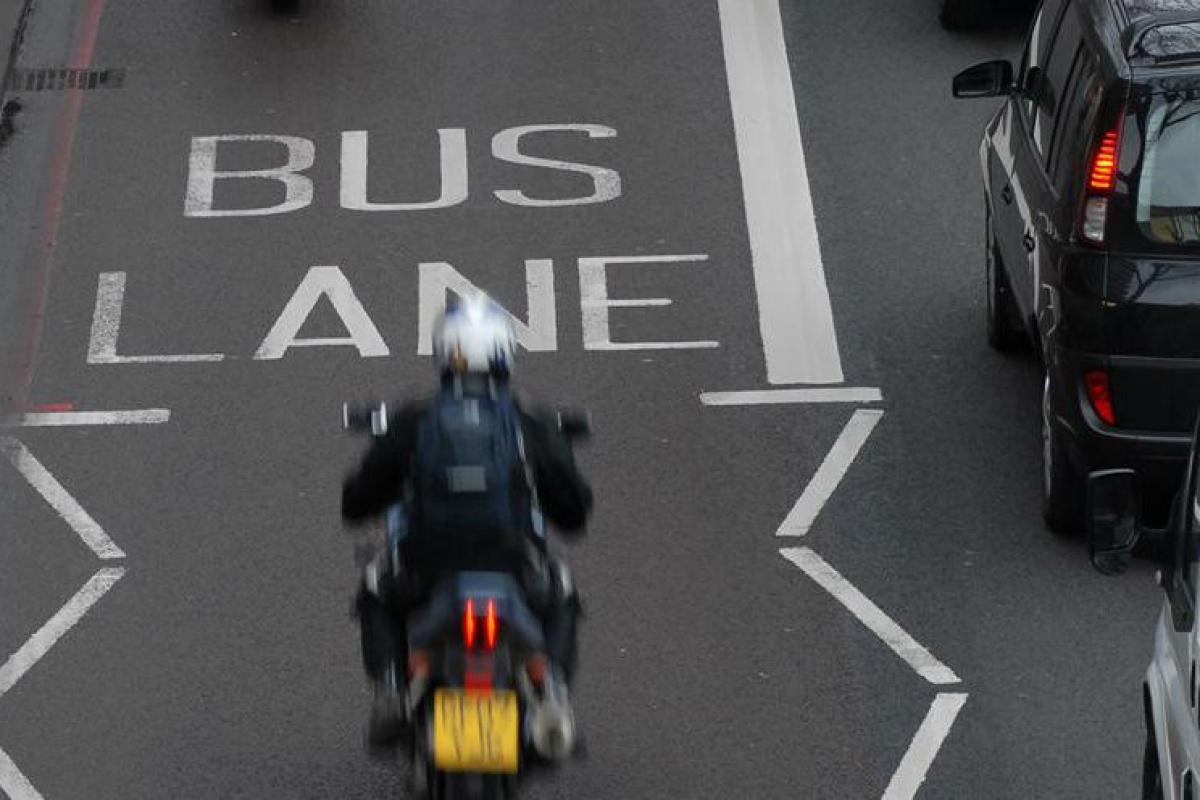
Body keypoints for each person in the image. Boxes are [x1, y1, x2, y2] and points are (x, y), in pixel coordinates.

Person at [341, 294, 593, 757]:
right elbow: (573, 512)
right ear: (504, 353)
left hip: (426, 566)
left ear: (443, 351)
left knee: (376, 585)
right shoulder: (528, 420)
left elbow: (360, 500)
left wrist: (363, 498)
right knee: (561, 587)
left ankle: (393, 689)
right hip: (512, 564)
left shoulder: (416, 418)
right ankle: (553, 692)